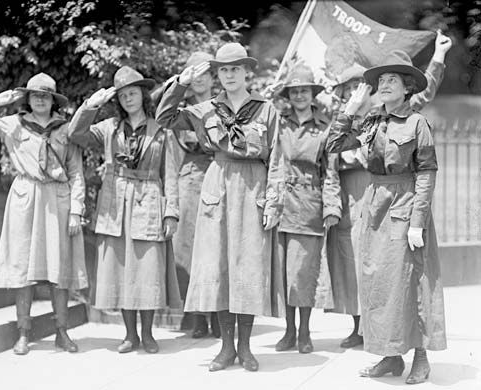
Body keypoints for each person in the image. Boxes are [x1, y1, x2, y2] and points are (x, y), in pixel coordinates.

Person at [156, 42, 285, 372]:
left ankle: (245, 347)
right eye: (223, 70)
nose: (229, 75)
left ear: (246, 72)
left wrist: (274, 201)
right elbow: (165, 117)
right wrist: (181, 83)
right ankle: (226, 348)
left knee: (249, 268)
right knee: (219, 268)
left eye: (235, 69)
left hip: (253, 185)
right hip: (218, 186)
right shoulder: (205, 110)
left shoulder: (266, 110)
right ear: (218, 74)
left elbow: (277, 159)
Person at [326, 30, 452, 350]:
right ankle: (389, 354)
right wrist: (349, 111)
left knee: (411, 280)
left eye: (392, 80)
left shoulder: (416, 123)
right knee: (377, 281)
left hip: (405, 206)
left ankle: (420, 357)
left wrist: (418, 221)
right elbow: (333, 145)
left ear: (407, 87)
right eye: (380, 80)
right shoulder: (370, 120)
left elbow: (426, 173)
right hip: (375, 208)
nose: (383, 85)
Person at [0, 73, 88, 355]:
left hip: (58, 198)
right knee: (24, 266)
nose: (40, 100)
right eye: (35, 95)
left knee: (60, 268)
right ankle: (24, 332)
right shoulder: (14, 124)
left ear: (53, 100)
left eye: (46, 95)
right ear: (28, 99)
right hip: (26, 196)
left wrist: (76, 210)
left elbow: (76, 173)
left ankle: (62, 331)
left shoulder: (65, 129)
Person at [68, 66, 181, 354]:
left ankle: (148, 333)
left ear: (143, 95)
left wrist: (171, 212)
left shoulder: (161, 130)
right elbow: (75, 134)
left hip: (150, 199)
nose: (128, 98)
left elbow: (171, 174)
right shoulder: (108, 128)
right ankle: (130, 335)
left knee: (147, 270)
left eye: (133, 93)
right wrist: (91, 105)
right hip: (115, 203)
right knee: (120, 270)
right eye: (122, 95)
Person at [272, 65, 341, 354]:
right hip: (280, 204)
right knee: (283, 272)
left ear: (313, 94)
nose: (300, 95)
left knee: (304, 272)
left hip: (310, 205)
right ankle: (288, 331)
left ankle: (303, 332)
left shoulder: (325, 128)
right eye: (294, 90)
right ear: (288, 95)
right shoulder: (277, 124)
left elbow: (331, 172)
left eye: (305, 90)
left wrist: (331, 206)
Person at [155, 51, 220, 338]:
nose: (198, 79)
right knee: (189, 252)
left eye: (204, 73)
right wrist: (172, 206)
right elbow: (170, 162)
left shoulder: (224, 106)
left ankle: (219, 313)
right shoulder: (179, 115)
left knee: (219, 250)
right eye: (192, 74)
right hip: (189, 184)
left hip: (221, 178)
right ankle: (196, 315)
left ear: (213, 77)